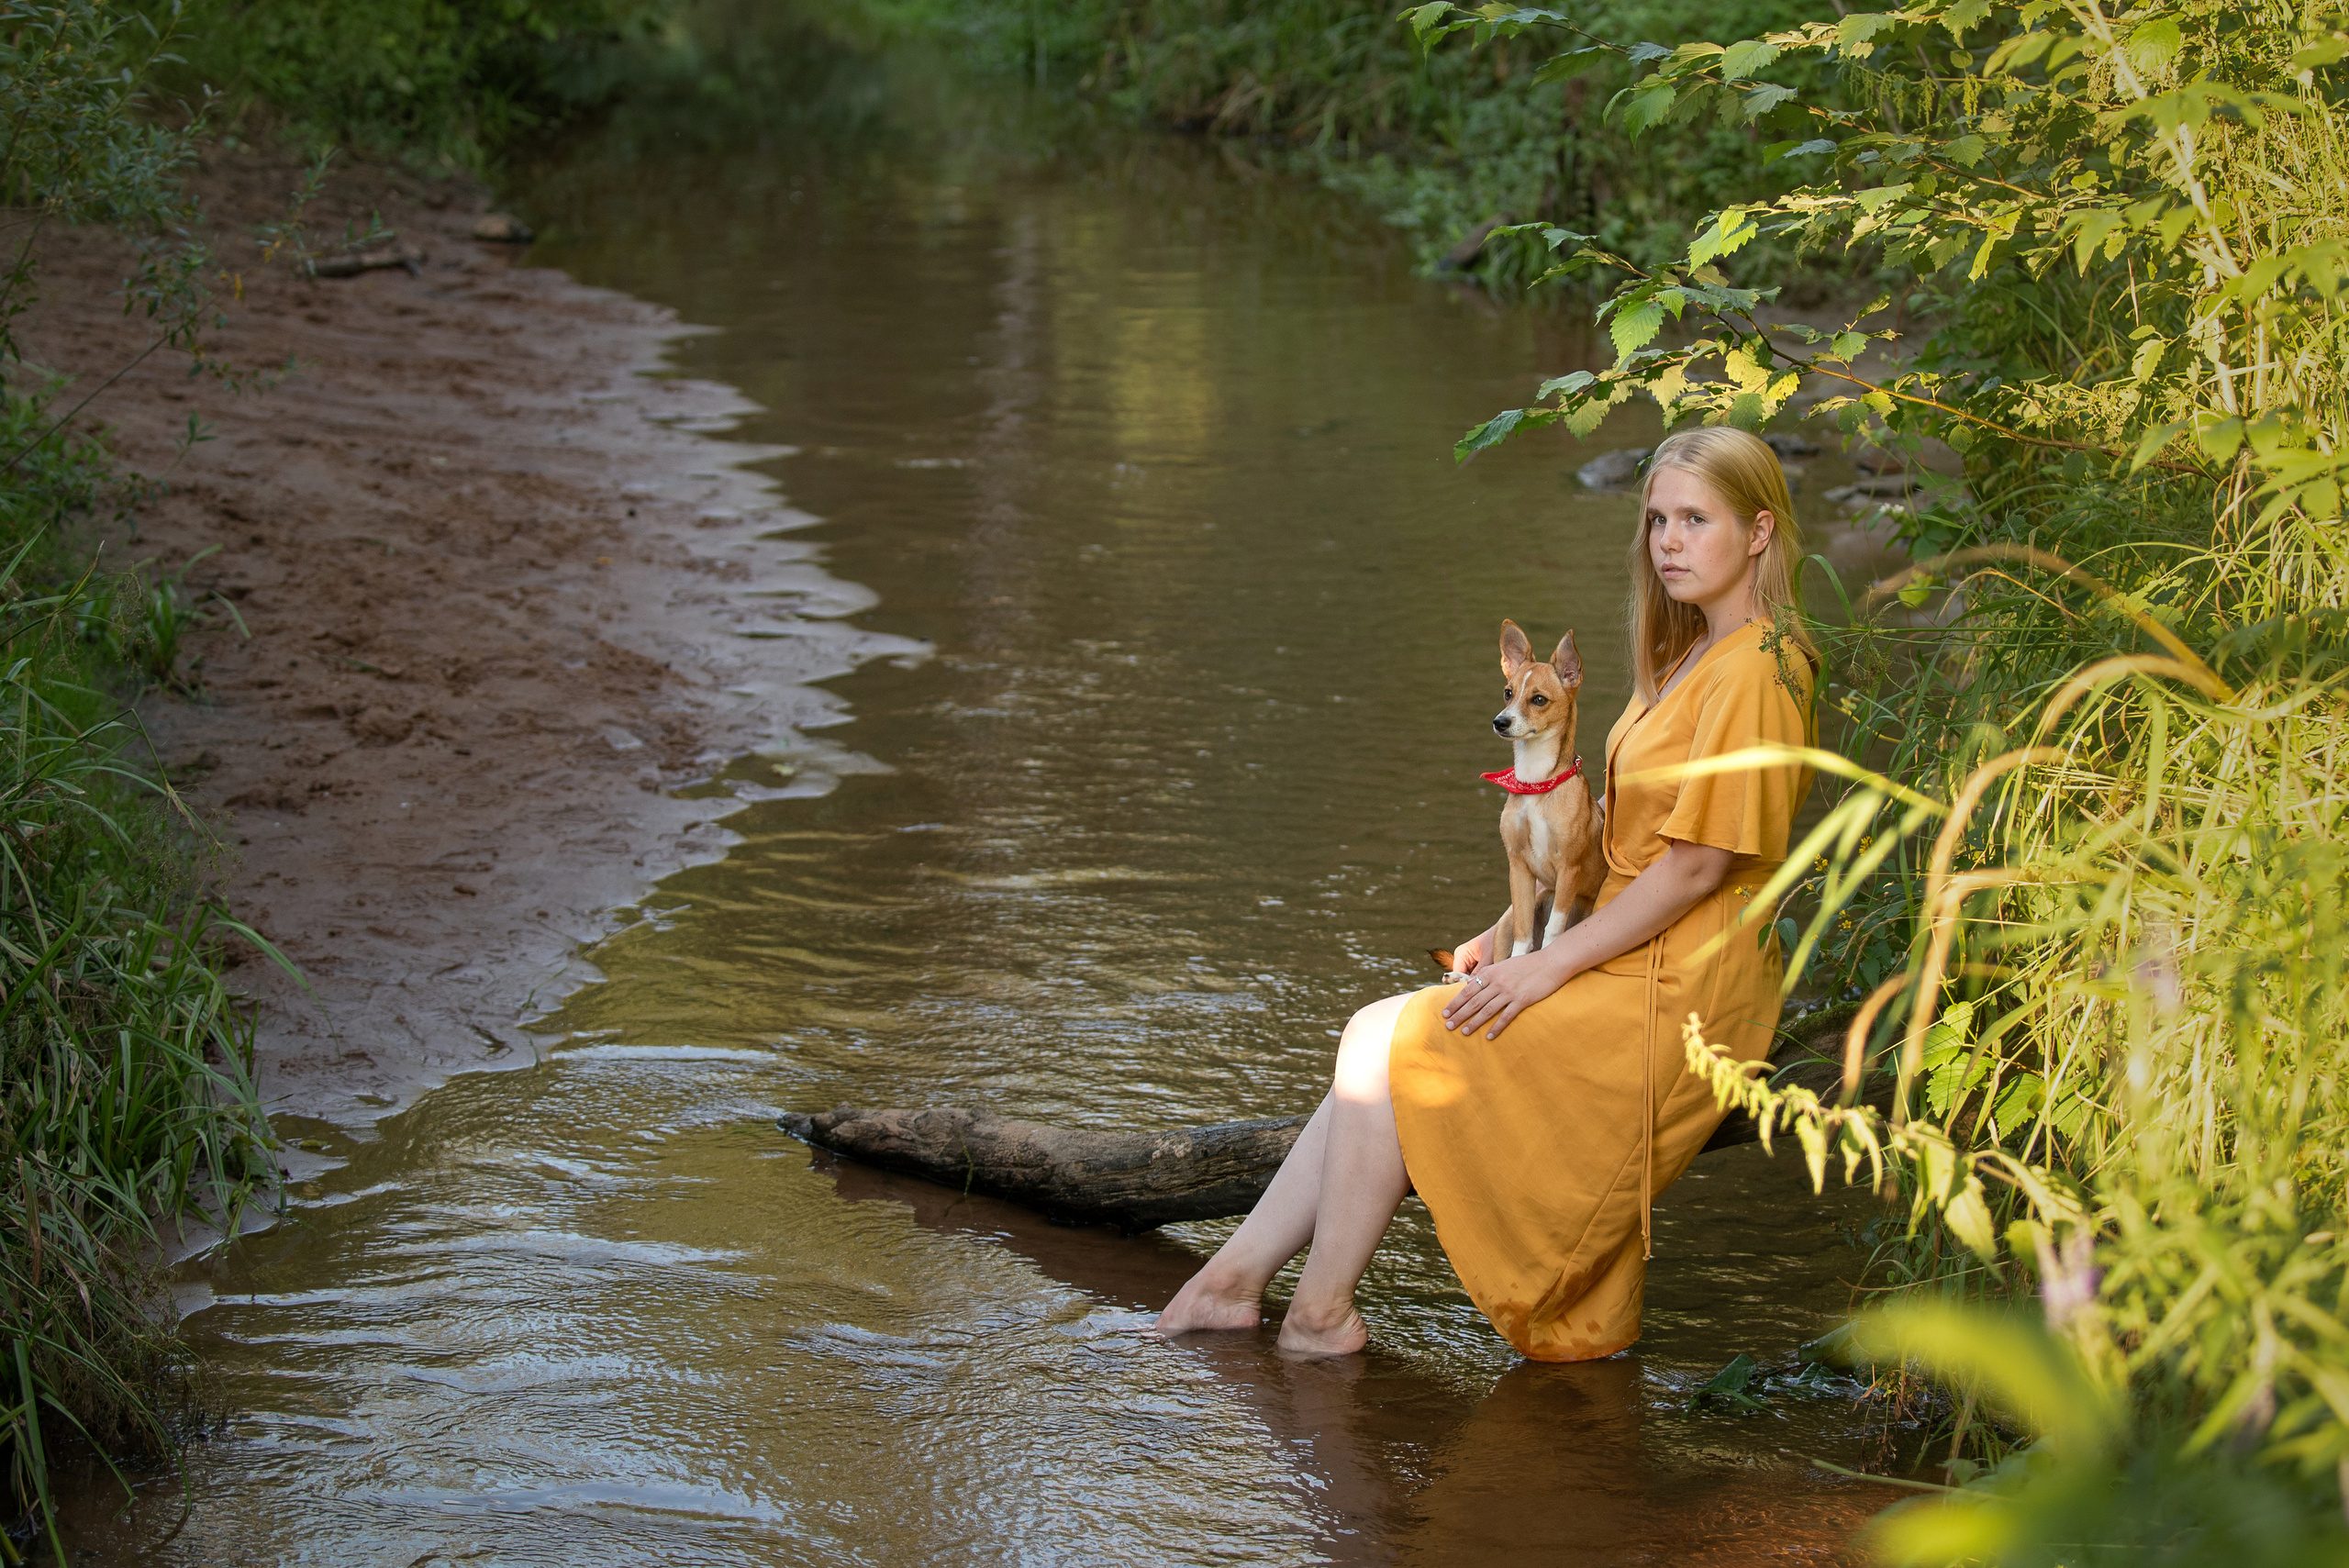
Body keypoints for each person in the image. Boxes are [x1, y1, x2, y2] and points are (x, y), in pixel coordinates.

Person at [1154, 426, 1817, 1359]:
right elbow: (1609, 847)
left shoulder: (1756, 664)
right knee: (1372, 1033)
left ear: (1756, 532)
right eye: (1657, 517)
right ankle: (1234, 1283)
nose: (1668, 539)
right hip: (1622, 936)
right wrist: (1505, 927)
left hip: (1685, 977)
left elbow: (1697, 866)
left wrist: (1542, 968)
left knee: (1404, 1037)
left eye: (1694, 519)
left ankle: (1314, 1309)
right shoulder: (1682, 657)